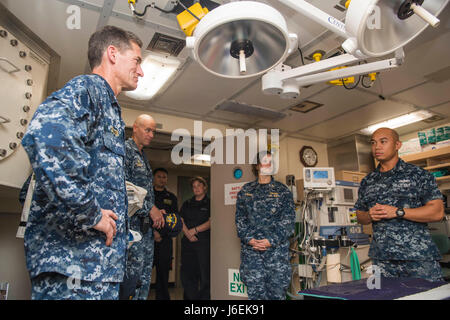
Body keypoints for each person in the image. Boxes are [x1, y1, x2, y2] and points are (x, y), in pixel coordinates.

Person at [20, 25, 144, 300]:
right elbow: (46, 137)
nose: (141, 70)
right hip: (74, 267)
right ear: (112, 53)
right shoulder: (89, 89)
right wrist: (91, 214)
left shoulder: (108, 107)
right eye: (137, 60)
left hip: (94, 270)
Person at [355, 127, 445, 282]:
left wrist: (399, 212)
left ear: (398, 145)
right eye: (373, 143)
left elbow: (437, 212)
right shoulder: (367, 181)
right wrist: (369, 215)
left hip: (417, 258)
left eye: (383, 141)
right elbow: (360, 216)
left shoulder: (419, 175)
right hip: (382, 260)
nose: (377, 147)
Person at [235, 151, 295, 300]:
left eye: (271, 162)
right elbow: (240, 220)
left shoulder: (282, 192)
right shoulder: (246, 191)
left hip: (276, 257)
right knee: (255, 297)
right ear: (257, 165)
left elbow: (288, 223)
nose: (268, 164)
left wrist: (270, 241)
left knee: (277, 296)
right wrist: (250, 239)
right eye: (265, 161)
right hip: (252, 256)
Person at [124, 114, 165, 300]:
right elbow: (122, 188)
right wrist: (149, 208)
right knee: (130, 281)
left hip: (145, 229)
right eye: (147, 130)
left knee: (144, 278)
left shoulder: (142, 156)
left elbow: (144, 192)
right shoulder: (125, 150)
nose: (151, 135)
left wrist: (154, 211)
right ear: (135, 128)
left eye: (153, 131)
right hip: (130, 229)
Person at [180, 176, 211, 300]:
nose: (196, 188)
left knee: (204, 275)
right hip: (188, 244)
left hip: (203, 244)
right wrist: (187, 233)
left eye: (199, 185)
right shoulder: (187, 203)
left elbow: (211, 221)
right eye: (194, 186)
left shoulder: (210, 203)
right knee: (187, 275)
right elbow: (180, 219)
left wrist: (195, 230)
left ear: (204, 187)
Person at [153, 168, 179, 300]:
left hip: (164, 241)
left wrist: (161, 234)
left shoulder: (171, 197)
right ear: (153, 178)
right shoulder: (147, 195)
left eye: (164, 177)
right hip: (147, 240)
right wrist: (153, 233)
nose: (162, 179)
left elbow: (174, 219)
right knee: (141, 273)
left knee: (163, 274)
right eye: (159, 176)